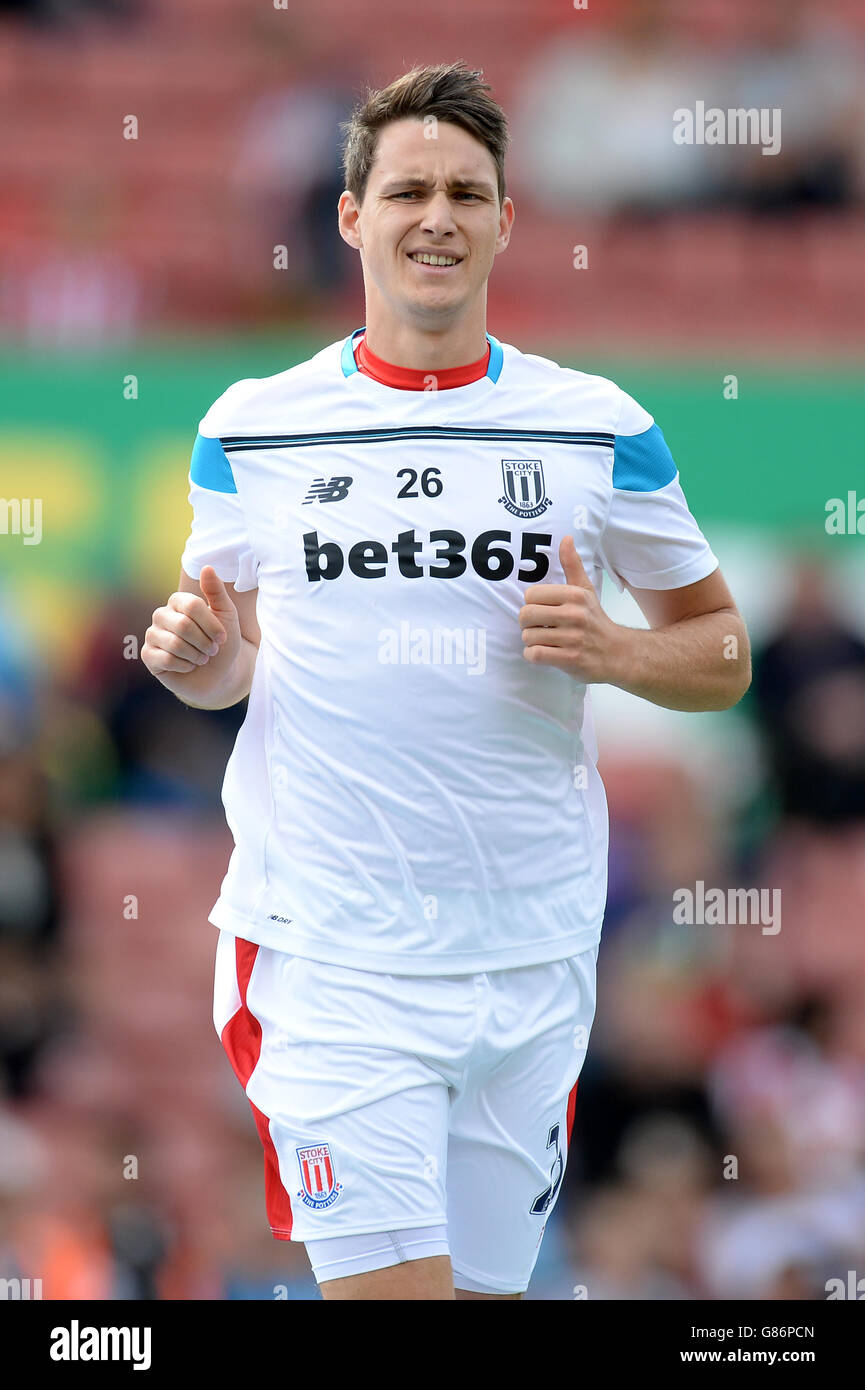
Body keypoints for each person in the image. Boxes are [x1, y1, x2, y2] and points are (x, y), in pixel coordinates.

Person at [141, 61, 751, 1302]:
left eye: (467, 193)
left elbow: (722, 651)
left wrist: (618, 651)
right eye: (409, 188)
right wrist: (206, 666)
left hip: (530, 956)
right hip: (332, 960)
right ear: (351, 215)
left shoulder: (597, 427)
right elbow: (233, 667)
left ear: (506, 221)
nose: (438, 217)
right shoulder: (251, 428)